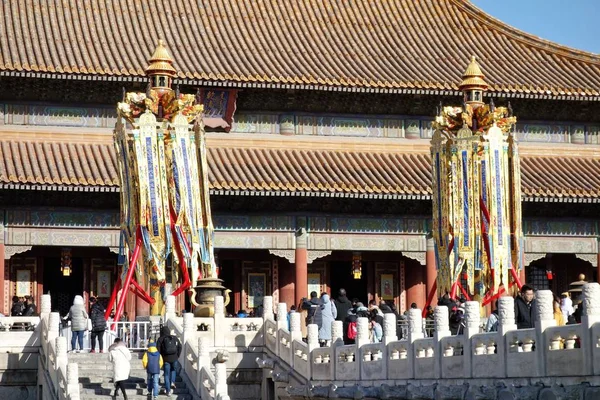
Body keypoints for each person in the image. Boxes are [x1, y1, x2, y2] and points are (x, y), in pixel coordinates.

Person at [157, 326, 182, 396]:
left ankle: (168, 391)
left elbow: (158, 350)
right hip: (174, 358)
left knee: (166, 375)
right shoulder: (174, 338)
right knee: (173, 370)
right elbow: (180, 346)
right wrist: (177, 355)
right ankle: (172, 382)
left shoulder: (160, 339)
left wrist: (162, 356)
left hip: (166, 359)